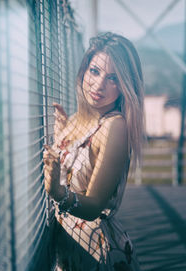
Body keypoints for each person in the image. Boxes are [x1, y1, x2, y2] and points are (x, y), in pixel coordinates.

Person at [43, 32, 144, 271]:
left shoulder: (115, 125)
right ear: (84, 71)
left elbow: (94, 206)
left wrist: (58, 193)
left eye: (113, 78)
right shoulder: (81, 118)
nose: (99, 86)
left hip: (94, 252)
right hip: (67, 248)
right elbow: (78, 170)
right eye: (95, 71)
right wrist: (63, 139)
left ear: (125, 85)